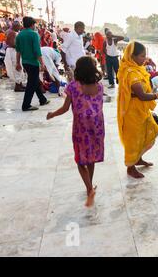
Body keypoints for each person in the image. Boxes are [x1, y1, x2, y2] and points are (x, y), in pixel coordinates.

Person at [47, 56, 104, 207]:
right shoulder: (99, 86)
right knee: (91, 157)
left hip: (81, 128)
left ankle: (89, 189)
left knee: (80, 160)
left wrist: (52, 114)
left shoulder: (72, 86)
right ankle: (89, 187)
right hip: (97, 126)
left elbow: (66, 108)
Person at [117, 42, 158, 179]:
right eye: (141, 56)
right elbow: (142, 95)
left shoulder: (138, 69)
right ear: (132, 56)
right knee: (133, 140)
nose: (144, 59)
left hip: (142, 109)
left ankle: (138, 158)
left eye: (145, 55)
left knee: (149, 131)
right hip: (132, 111)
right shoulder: (130, 72)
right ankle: (130, 167)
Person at [15, 16, 49, 112]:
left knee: (34, 81)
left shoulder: (19, 35)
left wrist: (18, 63)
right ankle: (26, 105)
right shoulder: (34, 34)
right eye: (34, 24)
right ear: (32, 24)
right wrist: (42, 64)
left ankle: (42, 99)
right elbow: (37, 51)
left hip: (24, 62)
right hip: (33, 62)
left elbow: (18, 51)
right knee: (31, 83)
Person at [4, 21, 26, 92]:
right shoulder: (12, 33)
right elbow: (10, 43)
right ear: (15, 26)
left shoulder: (14, 32)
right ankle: (17, 86)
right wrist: (20, 47)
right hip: (13, 51)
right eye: (19, 26)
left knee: (19, 68)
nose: (20, 27)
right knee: (16, 67)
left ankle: (20, 84)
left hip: (15, 51)